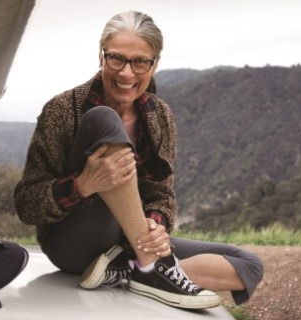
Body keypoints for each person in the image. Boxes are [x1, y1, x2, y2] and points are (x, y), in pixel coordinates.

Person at [14, 11, 263, 310]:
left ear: (155, 64)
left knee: (248, 264)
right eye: (116, 58)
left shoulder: (160, 117)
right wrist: (81, 185)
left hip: (128, 243)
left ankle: (139, 271)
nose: (127, 74)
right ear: (101, 57)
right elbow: (26, 205)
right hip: (74, 245)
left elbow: (161, 193)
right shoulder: (62, 110)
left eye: (140, 61)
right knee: (102, 119)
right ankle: (149, 265)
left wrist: (157, 225)